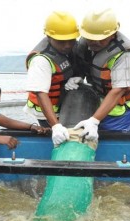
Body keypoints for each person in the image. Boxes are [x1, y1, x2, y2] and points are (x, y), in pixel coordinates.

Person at [68, 8, 130, 140]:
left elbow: (119, 90)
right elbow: (85, 62)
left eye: (101, 39)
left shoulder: (124, 54)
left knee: (112, 140)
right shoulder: (84, 43)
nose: (95, 42)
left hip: (120, 107)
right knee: (89, 137)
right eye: (91, 38)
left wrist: (94, 120)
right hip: (99, 99)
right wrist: (79, 76)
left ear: (113, 34)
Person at [24, 11, 80, 146]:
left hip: (62, 104)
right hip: (45, 111)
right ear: (48, 36)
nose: (67, 45)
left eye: (71, 40)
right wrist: (55, 126)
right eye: (61, 41)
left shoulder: (68, 49)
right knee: (59, 139)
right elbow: (40, 93)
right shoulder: (40, 61)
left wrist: (76, 77)